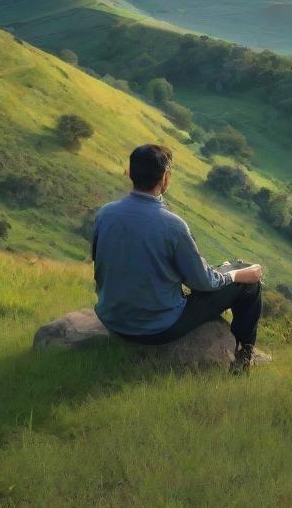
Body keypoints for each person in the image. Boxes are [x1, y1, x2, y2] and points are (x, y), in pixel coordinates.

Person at [91, 143, 265, 372]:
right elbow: (202, 282)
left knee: (224, 274)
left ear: (131, 173)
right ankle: (244, 356)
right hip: (157, 328)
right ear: (165, 178)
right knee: (248, 283)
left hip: (112, 318)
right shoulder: (173, 226)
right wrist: (235, 274)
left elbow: (100, 262)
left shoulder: (105, 213)